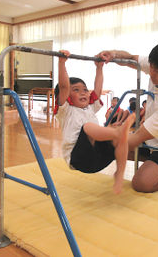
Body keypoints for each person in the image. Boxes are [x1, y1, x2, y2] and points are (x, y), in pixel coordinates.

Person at [98, 40, 158, 193]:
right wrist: (113, 54)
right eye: (151, 67)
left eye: (157, 71)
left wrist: (101, 137)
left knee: (141, 184)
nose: (151, 73)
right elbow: (131, 59)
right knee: (114, 150)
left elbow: (136, 137)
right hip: (150, 138)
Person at [55, 50, 135, 194]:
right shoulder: (66, 110)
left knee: (121, 139)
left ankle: (119, 174)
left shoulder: (90, 107)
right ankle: (116, 132)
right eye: (76, 90)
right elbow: (63, 87)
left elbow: (97, 90)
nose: (83, 93)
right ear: (67, 96)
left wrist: (99, 68)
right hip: (78, 158)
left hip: (98, 159)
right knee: (88, 127)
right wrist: (62, 63)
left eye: (85, 90)